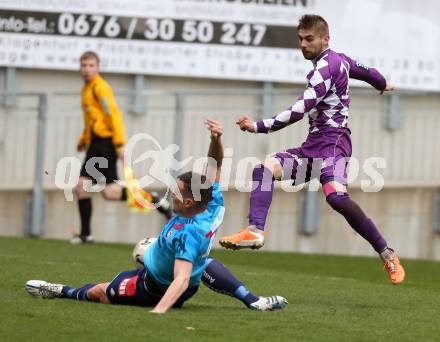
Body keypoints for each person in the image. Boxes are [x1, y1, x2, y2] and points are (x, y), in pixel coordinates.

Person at [26, 119, 288, 313]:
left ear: (187, 202)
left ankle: (61, 291)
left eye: (175, 193)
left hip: (152, 287)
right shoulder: (212, 201)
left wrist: (158, 310)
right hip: (184, 272)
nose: (169, 194)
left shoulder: (188, 232)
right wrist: (216, 140)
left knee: (100, 291)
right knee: (203, 263)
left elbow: (182, 278)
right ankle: (252, 299)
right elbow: (214, 164)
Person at [219, 14, 405, 285]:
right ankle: (255, 231)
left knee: (336, 198)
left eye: (310, 39)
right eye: (301, 39)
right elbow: (365, 71)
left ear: (325, 39)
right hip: (313, 147)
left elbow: (299, 109)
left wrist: (259, 126)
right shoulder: (339, 60)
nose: (303, 45)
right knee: (265, 169)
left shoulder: (325, 69)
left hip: (335, 144)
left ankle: (387, 254)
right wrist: (382, 83)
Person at [72, 51, 171, 244]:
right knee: (90, 189)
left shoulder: (101, 88)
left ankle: (156, 200)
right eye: (84, 65)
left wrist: (119, 144)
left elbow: (114, 116)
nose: (87, 69)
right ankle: (86, 235)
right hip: (95, 144)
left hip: (105, 144)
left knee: (102, 191)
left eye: (91, 65)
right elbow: (91, 119)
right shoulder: (87, 89)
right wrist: (84, 139)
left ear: (98, 67)